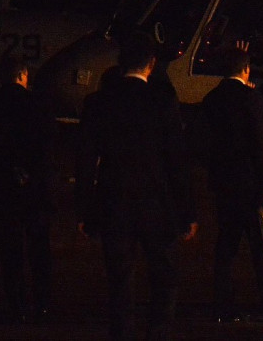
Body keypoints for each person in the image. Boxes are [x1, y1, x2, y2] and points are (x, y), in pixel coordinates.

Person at [76, 31, 198, 340]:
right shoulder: (163, 101)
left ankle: (122, 332)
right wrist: (187, 211)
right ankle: (158, 331)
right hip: (157, 202)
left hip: (114, 200)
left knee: (120, 278)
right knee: (164, 275)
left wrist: (85, 210)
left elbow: (86, 161)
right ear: (151, 64)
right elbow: (177, 161)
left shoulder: (98, 103)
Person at [200, 46, 263, 322]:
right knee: (262, 248)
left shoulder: (211, 99)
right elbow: (260, 141)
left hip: (225, 181)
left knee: (226, 246)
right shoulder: (251, 98)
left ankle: (223, 305)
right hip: (251, 183)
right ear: (246, 69)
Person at [0, 55, 56, 324]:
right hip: (35, 190)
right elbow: (46, 148)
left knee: (10, 251)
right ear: (23, 75)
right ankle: (42, 303)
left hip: (3, 189)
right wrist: (30, 172)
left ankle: (17, 304)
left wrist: (10, 169)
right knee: (39, 249)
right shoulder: (39, 106)